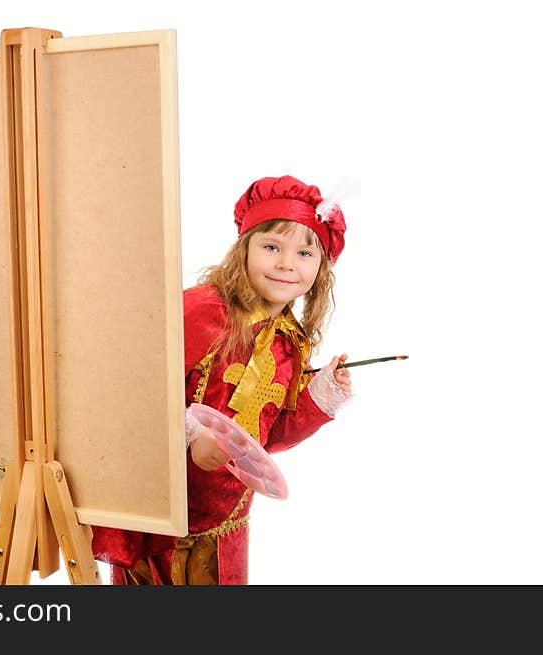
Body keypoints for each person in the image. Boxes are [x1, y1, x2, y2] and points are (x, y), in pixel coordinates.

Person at [91, 174, 353, 584]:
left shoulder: (287, 343)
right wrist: (190, 435)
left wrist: (319, 397)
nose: (287, 264)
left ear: (320, 270)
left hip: (224, 532)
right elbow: (128, 389)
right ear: (244, 249)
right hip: (160, 527)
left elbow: (266, 439)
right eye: (272, 247)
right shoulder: (199, 311)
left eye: (305, 253)